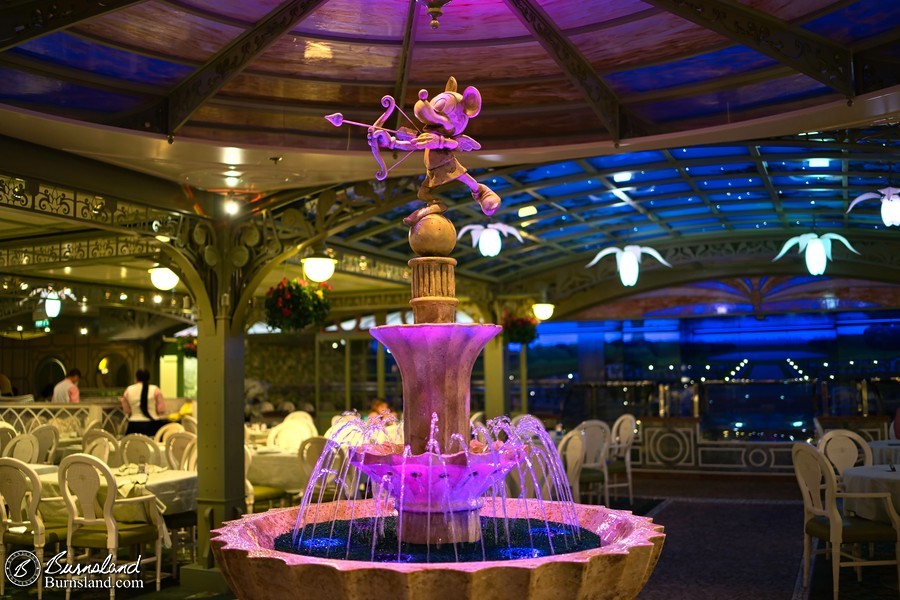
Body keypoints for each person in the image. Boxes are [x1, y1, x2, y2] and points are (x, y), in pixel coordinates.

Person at [121, 369, 168, 436]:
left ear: (136, 377)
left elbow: (127, 411)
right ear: (149, 378)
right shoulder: (155, 389)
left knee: (133, 445)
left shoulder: (128, 390)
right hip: (152, 424)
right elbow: (161, 410)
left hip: (134, 425)